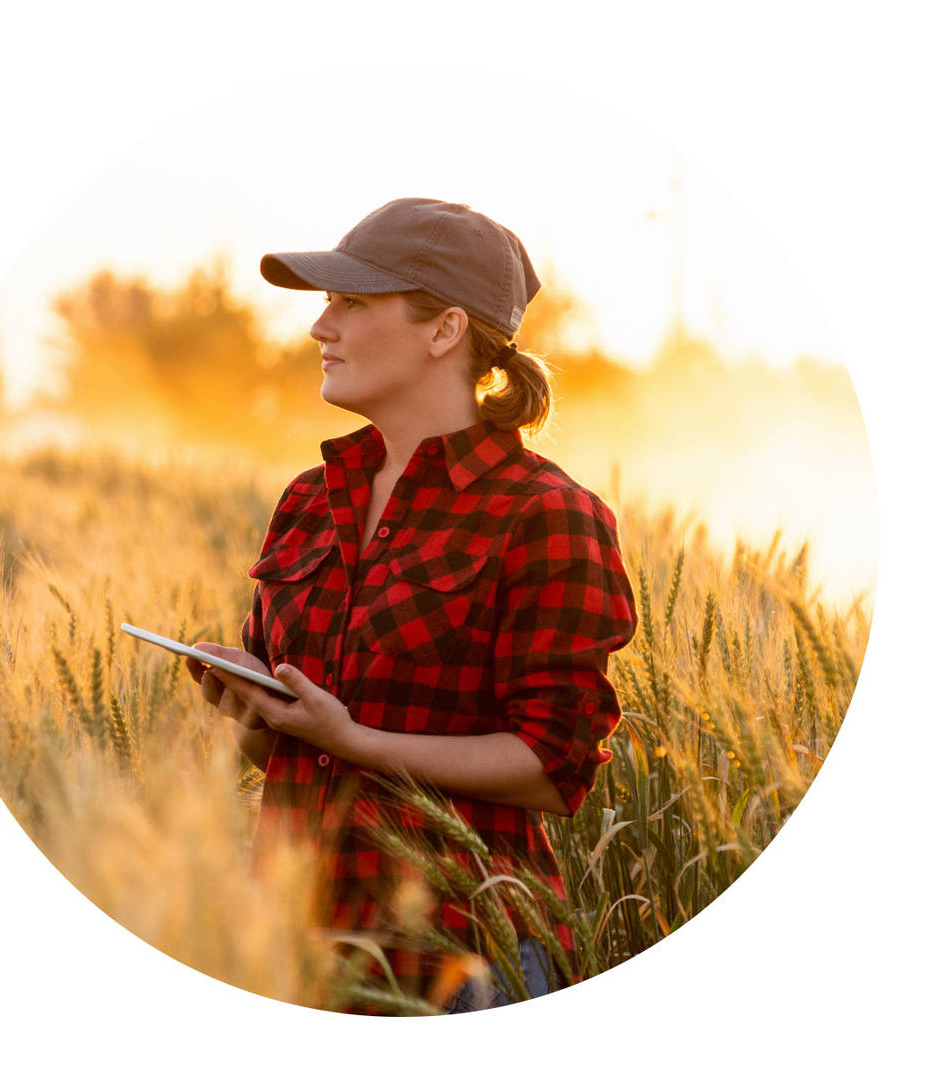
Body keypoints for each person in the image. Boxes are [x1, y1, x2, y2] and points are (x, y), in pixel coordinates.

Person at [186, 197, 638, 1013]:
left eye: (352, 303)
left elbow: (552, 767)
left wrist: (351, 738)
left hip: (468, 962)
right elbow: (303, 762)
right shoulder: (307, 501)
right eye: (327, 303)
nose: (320, 327)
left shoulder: (544, 514)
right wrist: (259, 715)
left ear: (445, 331)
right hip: (297, 948)